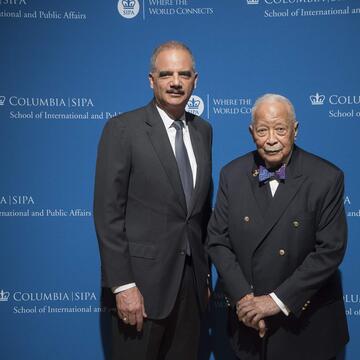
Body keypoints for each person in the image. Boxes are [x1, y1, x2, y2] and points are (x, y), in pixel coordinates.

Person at [93, 41, 212, 360]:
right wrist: (122, 285)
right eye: (166, 74)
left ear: (195, 80)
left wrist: (205, 275)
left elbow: (198, 215)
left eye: (184, 74)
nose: (176, 81)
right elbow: (108, 214)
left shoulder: (204, 131)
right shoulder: (123, 129)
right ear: (151, 80)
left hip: (191, 289)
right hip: (140, 290)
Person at [207, 94, 349, 360]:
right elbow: (217, 239)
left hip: (307, 328)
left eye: (280, 129)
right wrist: (244, 301)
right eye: (263, 130)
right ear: (252, 133)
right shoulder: (232, 174)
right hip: (248, 327)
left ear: (295, 130)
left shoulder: (326, 178)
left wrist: (275, 301)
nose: (271, 139)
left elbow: (330, 250)